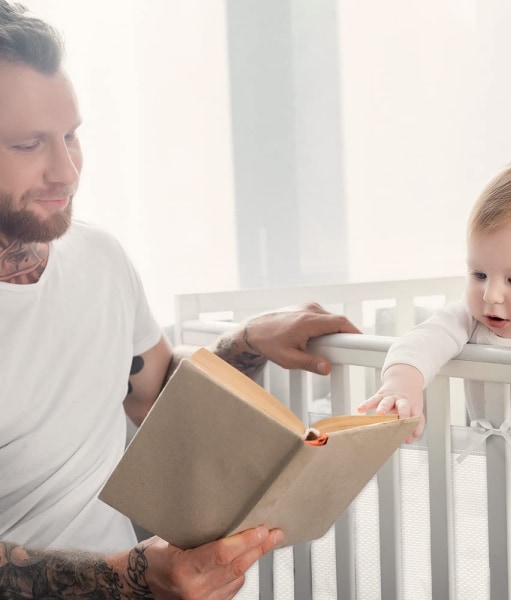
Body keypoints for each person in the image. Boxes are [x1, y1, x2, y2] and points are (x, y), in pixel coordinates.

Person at [0, 2, 360, 597]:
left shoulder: (100, 259)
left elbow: (156, 402)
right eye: (28, 145)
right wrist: (126, 579)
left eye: (70, 136)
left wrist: (249, 341)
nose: (65, 171)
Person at [359, 157, 511, 441]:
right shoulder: (469, 319)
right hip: (497, 466)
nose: (491, 295)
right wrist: (401, 384)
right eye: (479, 274)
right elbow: (421, 341)